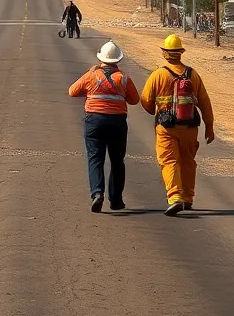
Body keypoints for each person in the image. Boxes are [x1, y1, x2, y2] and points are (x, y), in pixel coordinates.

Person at [140, 33, 215, 216]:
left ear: (165, 54)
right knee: (188, 161)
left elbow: (146, 100)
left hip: (166, 128)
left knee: (169, 160)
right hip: (190, 127)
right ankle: (188, 198)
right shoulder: (193, 75)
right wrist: (209, 127)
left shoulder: (159, 74)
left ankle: (175, 197)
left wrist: (156, 112)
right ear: (180, 53)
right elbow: (205, 102)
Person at [68, 40, 140, 212]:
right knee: (117, 161)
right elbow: (135, 100)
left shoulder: (91, 75)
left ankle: (97, 193)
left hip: (94, 121)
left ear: (101, 58)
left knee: (95, 158)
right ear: (117, 60)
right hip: (117, 122)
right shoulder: (123, 78)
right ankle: (116, 200)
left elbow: (72, 91)